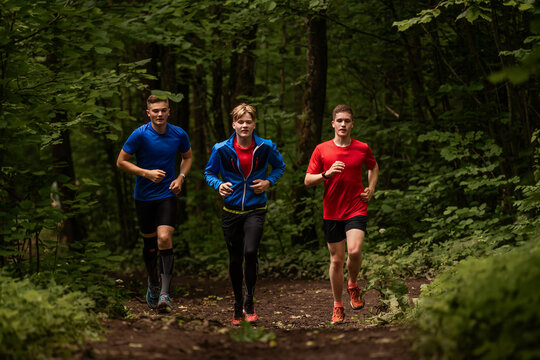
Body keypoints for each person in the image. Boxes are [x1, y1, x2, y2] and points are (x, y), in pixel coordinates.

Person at [205, 103, 285, 326]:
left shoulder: (266, 146)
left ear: (254, 124)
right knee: (235, 257)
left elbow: (279, 167)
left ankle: (249, 302)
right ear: (234, 124)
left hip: (255, 209)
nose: (245, 125)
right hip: (230, 210)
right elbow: (209, 172)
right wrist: (218, 185)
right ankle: (237, 304)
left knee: (250, 252)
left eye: (248, 122)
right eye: (240, 122)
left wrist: (268, 182)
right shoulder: (221, 149)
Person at [117, 94, 192, 313]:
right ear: (148, 113)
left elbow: (187, 157)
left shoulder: (179, 134)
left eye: (163, 110)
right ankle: (152, 281)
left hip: (167, 194)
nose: (160, 114)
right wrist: (146, 173)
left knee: (164, 238)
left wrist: (180, 178)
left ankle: (165, 294)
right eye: (155, 111)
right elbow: (121, 162)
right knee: (150, 245)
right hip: (143, 197)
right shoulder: (139, 135)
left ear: (169, 111)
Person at [304, 104, 379, 324]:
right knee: (336, 261)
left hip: (356, 206)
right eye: (340, 121)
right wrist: (326, 174)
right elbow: (308, 180)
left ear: (352, 124)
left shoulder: (362, 147)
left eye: (347, 121)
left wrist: (371, 189)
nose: (343, 124)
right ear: (333, 124)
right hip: (332, 211)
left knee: (354, 251)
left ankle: (353, 284)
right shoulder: (321, 149)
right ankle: (338, 305)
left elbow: (373, 167)